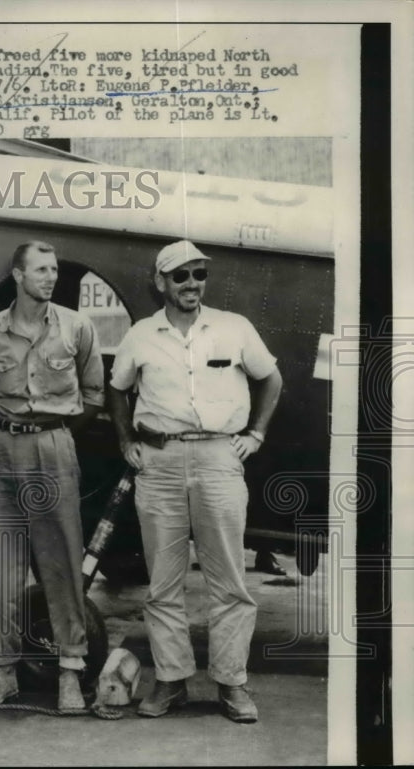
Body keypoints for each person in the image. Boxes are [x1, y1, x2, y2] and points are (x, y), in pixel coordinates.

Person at [106, 240, 283, 723]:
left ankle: (231, 685)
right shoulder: (141, 334)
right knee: (163, 584)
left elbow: (272, 378)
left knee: (229, 580)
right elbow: (117, 390)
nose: (191, 285)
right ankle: (171, 681)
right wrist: (126, 442)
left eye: (199, 275)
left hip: (219, 460)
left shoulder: (233, 327)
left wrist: (256, 434)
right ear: (159, 282)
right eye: (181, 276)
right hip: (159, 463)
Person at [0, 240, 104, 713]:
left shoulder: (77, 326)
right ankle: (3, 668)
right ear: (18, 275)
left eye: (54, 269)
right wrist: (13, 431)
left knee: (61, 560)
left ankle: (70, 670)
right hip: (0, 447)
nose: (50, 277)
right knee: (1, 562)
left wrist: (53, 431)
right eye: (41, 269)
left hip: (52, 446)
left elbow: (93, 395)